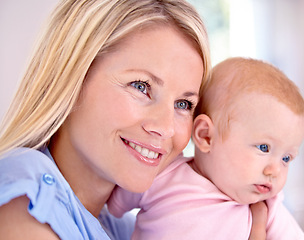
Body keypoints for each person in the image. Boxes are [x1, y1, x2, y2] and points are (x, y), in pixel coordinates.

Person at [0, 0, 211, 239]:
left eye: (183, 104)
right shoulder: (26, 199)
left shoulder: (122, 228)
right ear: (73, 75)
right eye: (141, 86)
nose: (166, 128)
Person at [108, 57, 304, 240]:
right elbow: (109, 208)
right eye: (264, 148)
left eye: (286, 158)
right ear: (206, 136)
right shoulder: (161, 174)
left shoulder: (268, 209)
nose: (275, 171)